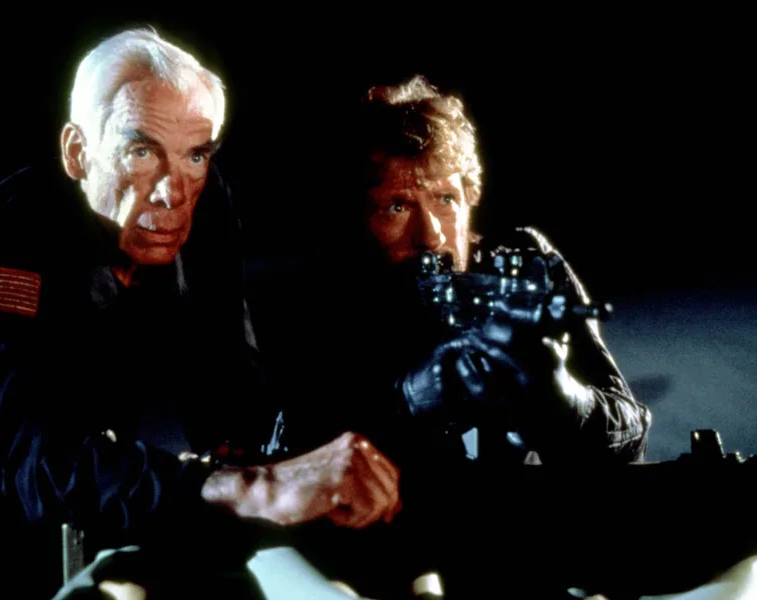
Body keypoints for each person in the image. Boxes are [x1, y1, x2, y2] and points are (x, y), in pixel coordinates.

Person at [0, 28, 400, 600]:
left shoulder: (203, 202)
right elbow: (36, 466)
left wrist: (294, 465)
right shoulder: (1, 246)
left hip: (99, 461)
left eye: (195, 156)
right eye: (141, 152)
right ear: (77, 152)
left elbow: (230, 384)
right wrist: (254, 487)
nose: (171, 194)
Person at [252, 75, 655, 597]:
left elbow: (630, 432)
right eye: (397, 207)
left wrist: (561, 398)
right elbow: (285, 462)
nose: (432, 236)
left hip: (534, 548)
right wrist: (415, 397)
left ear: (471, 194)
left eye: (445, 198)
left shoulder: (523, 263)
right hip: (386, 562)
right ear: (357, 216)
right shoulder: (322, 296)